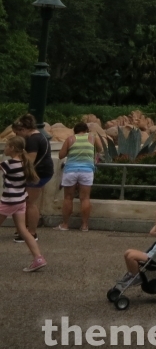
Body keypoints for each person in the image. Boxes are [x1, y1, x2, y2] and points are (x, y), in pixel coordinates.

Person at [1, 136, 47, 272]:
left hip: (9, 200)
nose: (5, 148)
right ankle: (38, 258)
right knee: (23, 230)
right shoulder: (24, 163)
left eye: (7, 146)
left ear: (12, 148)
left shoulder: (8, 164)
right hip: (21, 200)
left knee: (22, 229)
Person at [12, 114, 53, 244]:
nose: (17, 136)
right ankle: (24, 230)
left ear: (24, 129)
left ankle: (32, 232)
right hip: (43, 172)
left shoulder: (32, 140)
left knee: (29, 203)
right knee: (27, 202)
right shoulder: (40, 136)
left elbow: (30, 161)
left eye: (17, 133)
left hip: (38, 173)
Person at [118, 207, 156, 284]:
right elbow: (152, 232)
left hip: (155, 259)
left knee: (131, 256)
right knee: (127, 252)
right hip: (151, 255)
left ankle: (137, 277)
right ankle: (131, 274)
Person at [57, 122, 100, 231]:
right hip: (87, 170)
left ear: (75, 131)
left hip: (70, 170)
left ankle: (65, 224)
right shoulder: (93, 138)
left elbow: (61, 155)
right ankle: (85, 225)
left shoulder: (70, 139)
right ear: (86, 130)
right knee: (85, 198)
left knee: (68, 198)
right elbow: (100, 149)